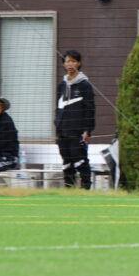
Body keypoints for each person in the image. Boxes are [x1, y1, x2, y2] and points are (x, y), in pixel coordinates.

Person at [55, 50, 95, 189]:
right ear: (64, 64)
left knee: (80, 161)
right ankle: (69, 189)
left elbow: (90, 109)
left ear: (78, 63)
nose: (70, 64)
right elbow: (58, 107)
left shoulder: (85, 85)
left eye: (73, 61)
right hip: (62, 131)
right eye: (67, 61)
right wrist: (57, 124)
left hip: (77, 132)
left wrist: (87, 130)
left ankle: (86, 189)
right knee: (67, 162)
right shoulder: (61, 85)